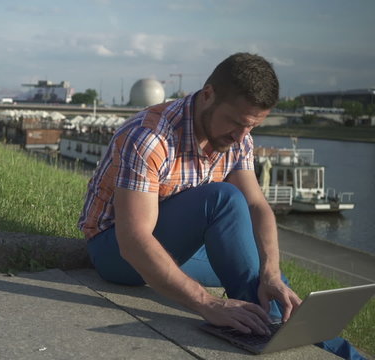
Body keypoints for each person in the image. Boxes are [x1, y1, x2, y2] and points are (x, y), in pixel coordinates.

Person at [78, 53, 364, 359]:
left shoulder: (238, 138)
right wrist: (208, 303)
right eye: (237, 123)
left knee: (261, 274)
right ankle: (306, 339)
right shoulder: (149, 137)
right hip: (115, 252)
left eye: (252, 127)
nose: (241, 136)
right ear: (208, 95)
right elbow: (133, 241)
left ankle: (290, 329)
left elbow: (257, 206)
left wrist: (271, 271)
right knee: (222, 199)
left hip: (173, 245)